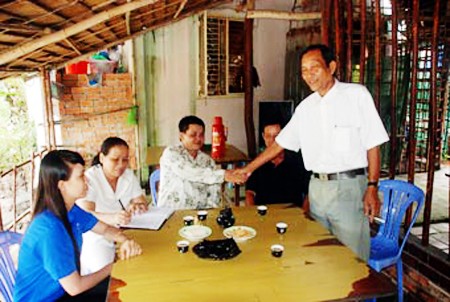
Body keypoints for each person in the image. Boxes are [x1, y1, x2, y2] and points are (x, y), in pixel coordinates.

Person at [239, 44, 389, 261]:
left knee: (352, 257)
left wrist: (372, 186)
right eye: (304, 70)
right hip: (317, 188)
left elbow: (373, 143)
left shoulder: (356, 95)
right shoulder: (305, 108)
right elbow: (279, 144)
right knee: (321, 253)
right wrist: (248, 169)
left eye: (314, 68)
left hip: (348, 188)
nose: (309, 75)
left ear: (332, 67)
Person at [14, 150, 142, 302]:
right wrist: (114, 263)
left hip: (63, 293)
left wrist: (124, 240)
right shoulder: (49, 229)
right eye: (81, 176)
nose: (87, 180)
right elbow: (75, 287)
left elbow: (105, 229)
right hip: (51, 298)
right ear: (62, 185)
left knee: (130, 288)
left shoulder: (71, 210)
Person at [77, 137, 148, 275]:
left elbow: (142, 201)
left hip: (127, 230)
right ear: (102, 158)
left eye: (125, 160)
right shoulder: (90, 178)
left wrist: (137, 206)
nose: (121, 165)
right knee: (106, 273)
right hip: (97, 234)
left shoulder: (128, 175)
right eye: (115, 160)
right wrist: (112, 217)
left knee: (142, 262)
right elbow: (85, 213)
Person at [158, 115, 246, 209]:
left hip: (198, 215)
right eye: (193, 135)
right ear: (181, 136)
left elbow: (214, 193)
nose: (198, 139)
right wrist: (224, 175)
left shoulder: (207, 161)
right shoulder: (172, 153)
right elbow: (191, 172)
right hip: (171, 213)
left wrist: (211, 214)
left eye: (201, 135)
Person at [245, 121, 311, 207]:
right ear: (263, 137)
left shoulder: (297, 161)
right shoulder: (257, 163)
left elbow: (308, 194)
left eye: (277, 136)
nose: (273, 141)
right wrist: (253, 213)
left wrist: (303, 215)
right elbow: (249, 193)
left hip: (291, 213)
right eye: (268, 136)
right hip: (265, 213)